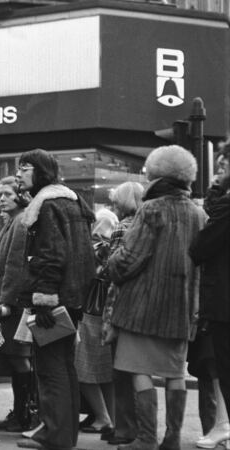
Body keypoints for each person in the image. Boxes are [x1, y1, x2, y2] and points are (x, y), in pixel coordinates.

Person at [107, 145, 206, 450]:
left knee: (140, 369)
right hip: (182, 307)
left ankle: (146, 439)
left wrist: (110, 261)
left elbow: (129, 259)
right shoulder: (198, 213)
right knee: (175, 372)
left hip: (143, 308)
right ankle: (172, 437)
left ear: (155, 173)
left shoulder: (151, 209)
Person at [14, 149, 95, 450]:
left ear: (41, 172)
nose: (20, 173)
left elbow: (50, 254)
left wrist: (44, 299)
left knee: (50, 368)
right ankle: (63, 432)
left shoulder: (46, 206)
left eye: (25, 168)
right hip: (72, 298)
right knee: (64, 365)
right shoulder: (71, 202)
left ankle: (55, 435)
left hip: (52, 299)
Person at [190, 144, 230, 449]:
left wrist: (217, 195)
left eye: (223, 166)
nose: (218, 172)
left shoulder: (225, 209)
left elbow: (200, 248)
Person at [101, 181, 145, 446]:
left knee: (121, 371)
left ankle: (125, 427)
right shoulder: (146, 225)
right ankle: (140, 426)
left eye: (117, 199)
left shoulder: (122, 227)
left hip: (119, 306)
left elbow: (112, 270)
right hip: (142, 306)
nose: (113, 204)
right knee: (139, 370)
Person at [0, 177, 33, 432]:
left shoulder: (20, 222)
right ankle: (20, 412)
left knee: (20, 359)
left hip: (15, 302)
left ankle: (23, 414)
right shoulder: (10, 222)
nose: (2, 198)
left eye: (7, 194)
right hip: (11, 299)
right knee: (15, 358)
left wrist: (6, 302)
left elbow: (15, 264)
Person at [75, 208, 118, 438]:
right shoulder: (115, 245)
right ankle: (110, 417)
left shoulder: (96, 249)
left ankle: (102, 417)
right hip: (104, 313)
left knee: (83, 367)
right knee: (104, 371)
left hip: (90, 312)